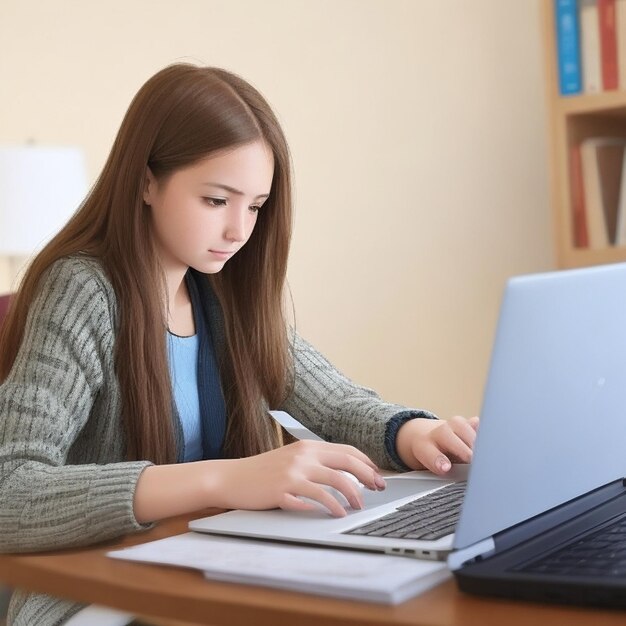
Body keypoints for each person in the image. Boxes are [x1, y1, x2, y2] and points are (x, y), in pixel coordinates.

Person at [0, 63, 479, 625]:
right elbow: (11, 489)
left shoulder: (225, 293)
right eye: (216, 201)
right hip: (101, 597)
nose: (239, 231)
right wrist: (229, 478)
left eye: (254, 205)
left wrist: (418, 434)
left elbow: (337, 404)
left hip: (211, 572)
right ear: (146, 181)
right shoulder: (84, 289)